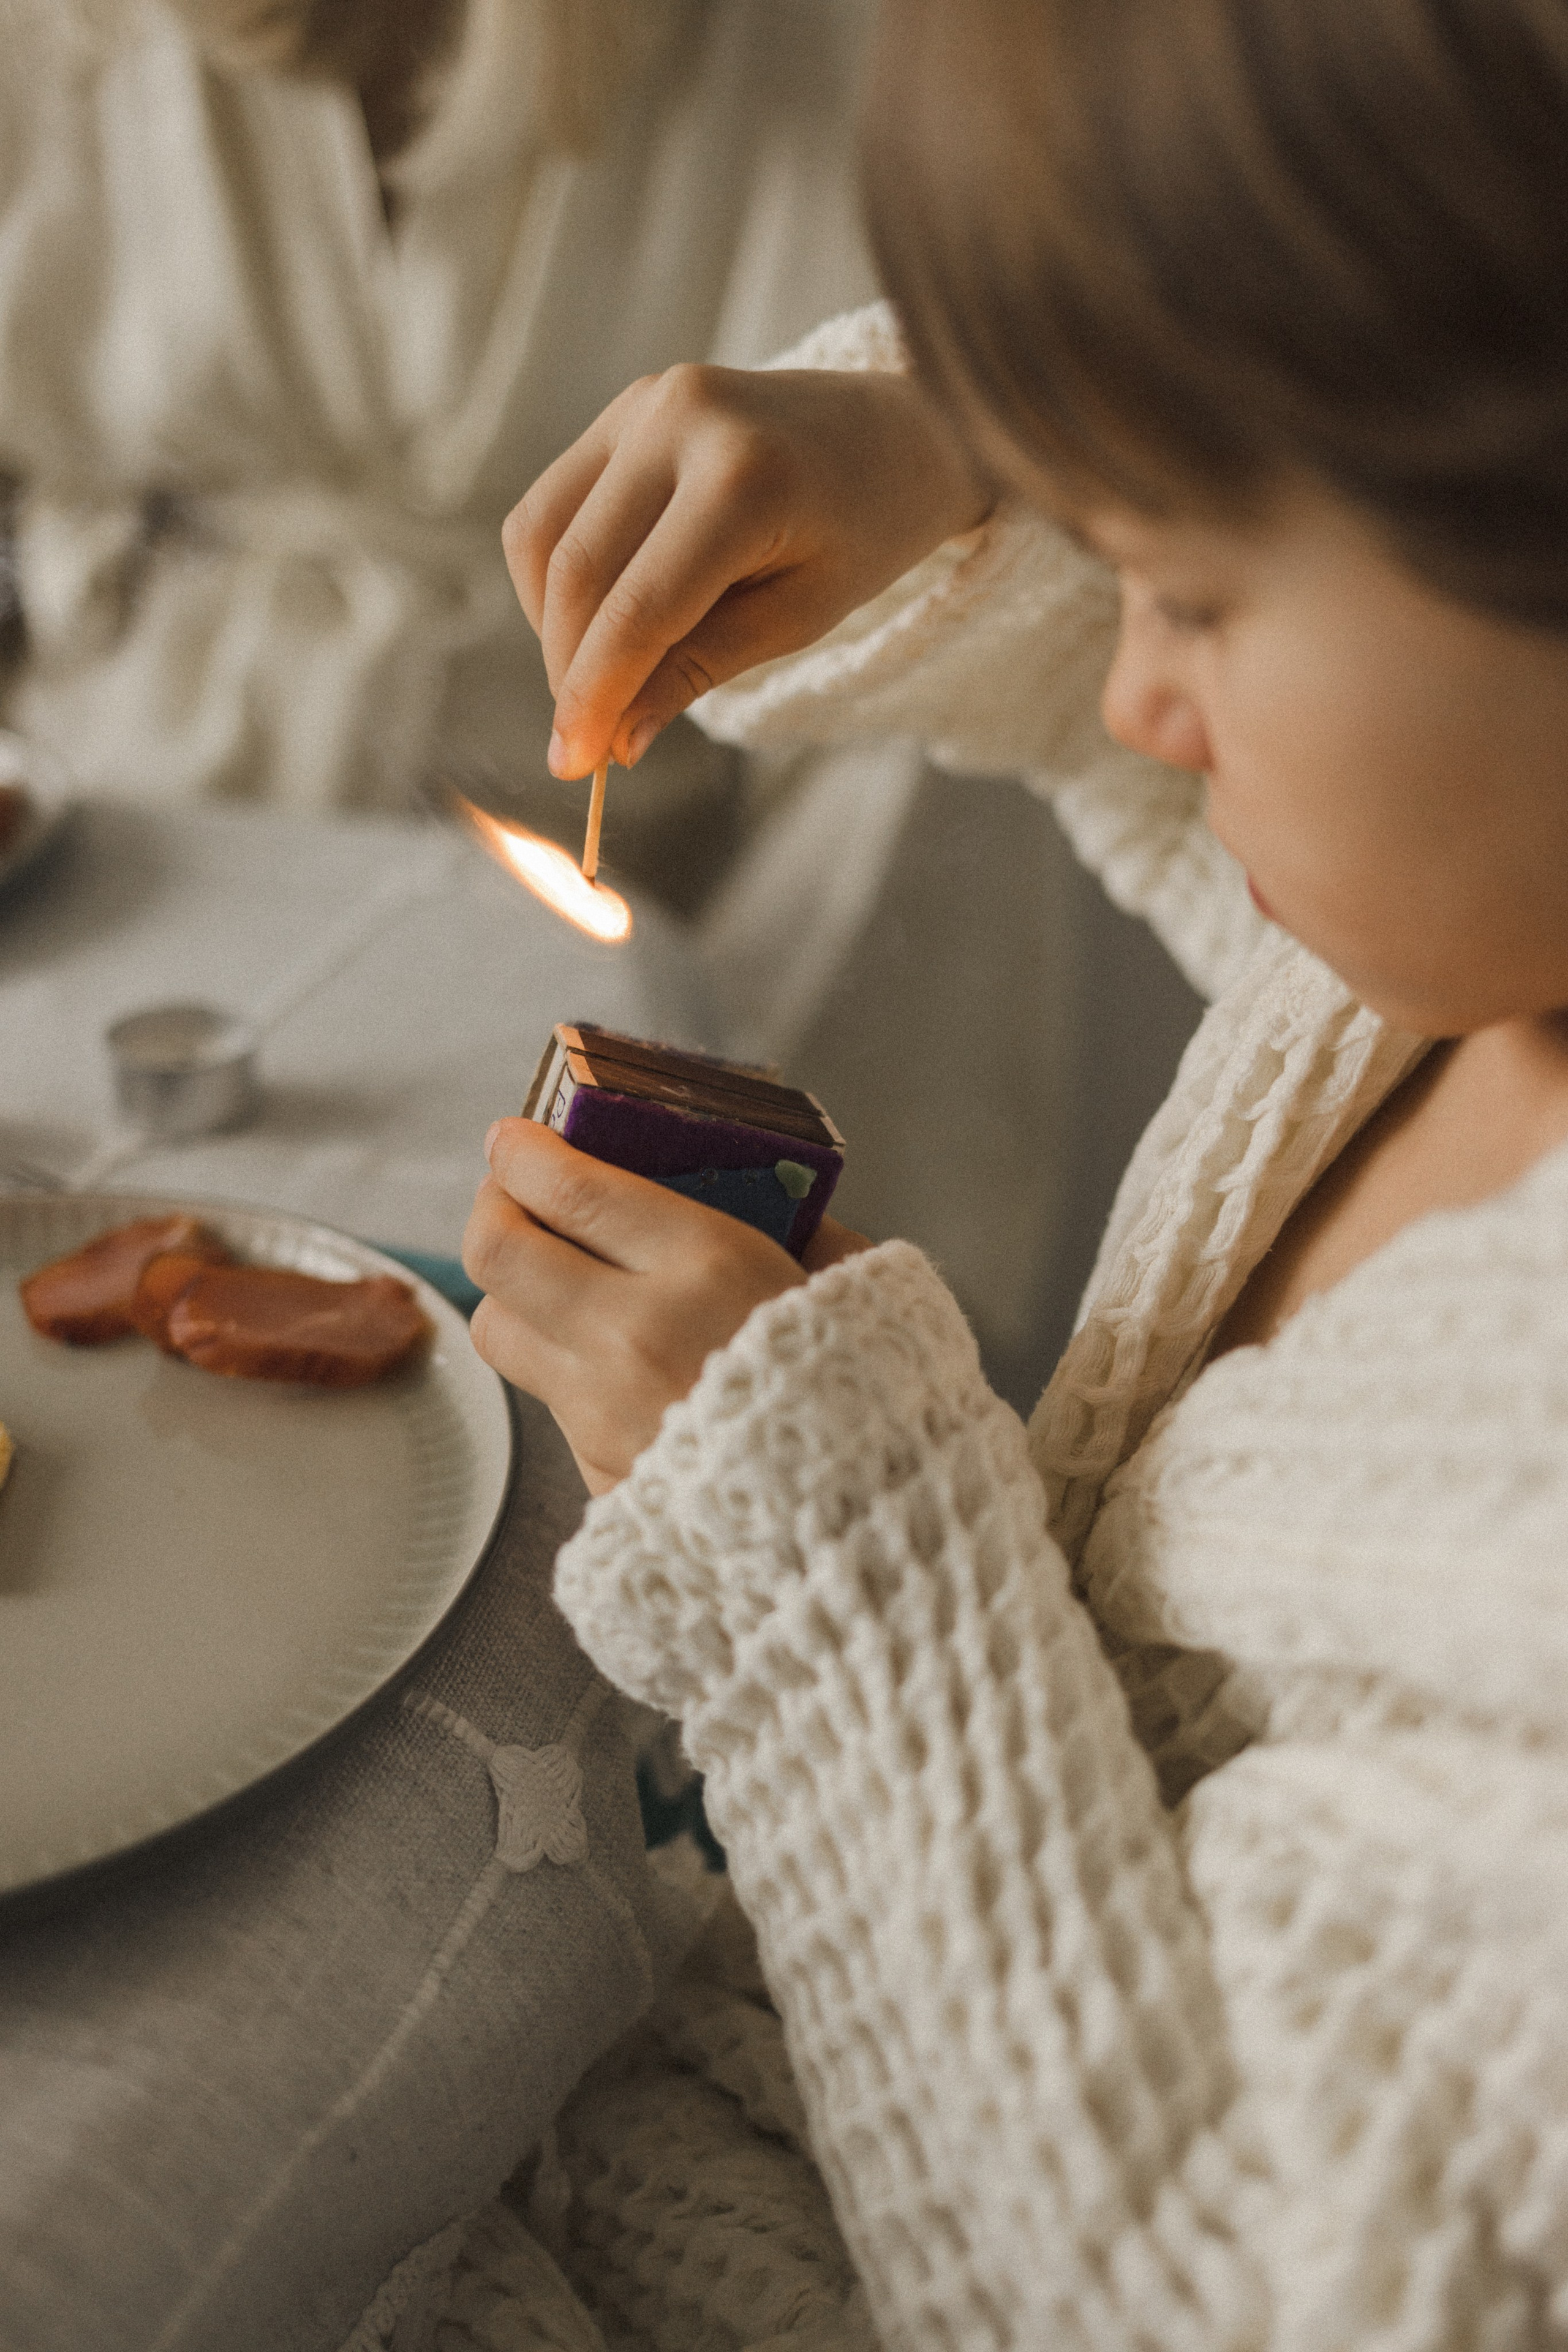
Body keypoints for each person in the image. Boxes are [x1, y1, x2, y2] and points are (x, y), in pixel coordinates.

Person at [443, 0, 1568, 2341]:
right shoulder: (1473, 944)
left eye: (1190, 587)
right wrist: (947, 463)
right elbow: (1307, 811)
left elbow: (1210, 2293)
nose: (1138, 687)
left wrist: (809, 1531)